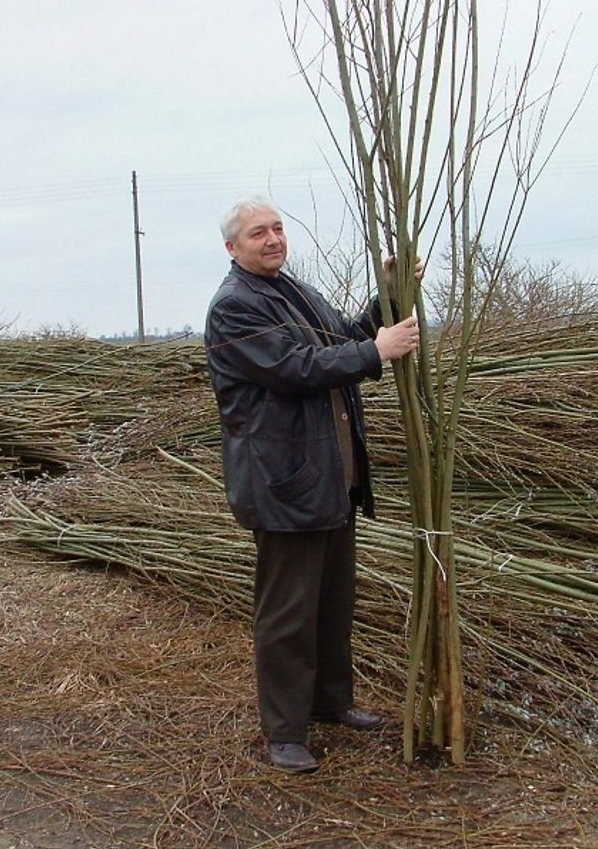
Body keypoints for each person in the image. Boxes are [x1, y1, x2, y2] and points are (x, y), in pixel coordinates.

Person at [204, 196, 420, 773]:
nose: (272, 239)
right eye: (258, 233)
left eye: (277, 229)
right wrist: (377, 351)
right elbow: (296, 369)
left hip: (331, 480)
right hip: (287, 484)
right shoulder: (235, 307)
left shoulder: (293, 291)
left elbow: (342, 340)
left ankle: (330, 704)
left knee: (332, 602)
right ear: (232, 247)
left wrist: (387, 300)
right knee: (288, 614)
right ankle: (285, 732)